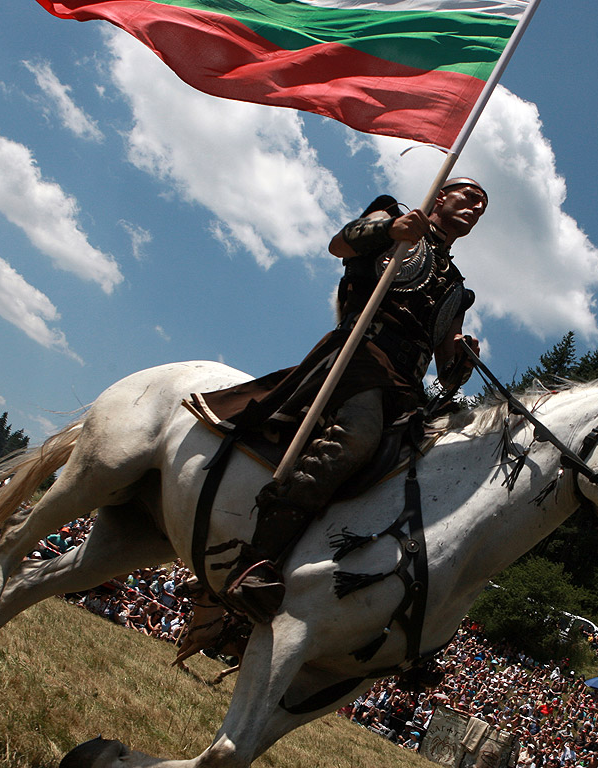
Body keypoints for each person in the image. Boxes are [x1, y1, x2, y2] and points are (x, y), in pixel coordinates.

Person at [187, 178, 487, 623]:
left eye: (483, 207)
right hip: (359, 354)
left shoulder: (457, 289)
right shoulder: (392, 216)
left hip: (407, 388)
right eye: (471, 196)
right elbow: (339, 245)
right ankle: (255, 560)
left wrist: (463, 357)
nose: (478, 207)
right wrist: (391, 232)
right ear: (441, 196)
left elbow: (447, 370)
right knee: (356, 439)